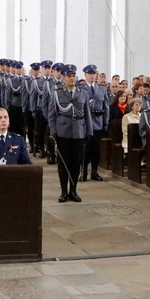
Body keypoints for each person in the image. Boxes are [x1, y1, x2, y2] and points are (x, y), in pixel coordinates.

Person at [47, 64, 93, 203]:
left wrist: (89, 131)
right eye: (69, 76)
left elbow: (87, 114)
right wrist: (53, 132)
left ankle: (73, 190)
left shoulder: (83, 93)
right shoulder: (57, 93)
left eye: (74, 76)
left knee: (76, 163)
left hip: (78, 131)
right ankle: (63, 191)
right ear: (64, 78)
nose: (72, 78)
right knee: (63, 163)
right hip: (63, 132)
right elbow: (52, 114)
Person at [79, 65, 109, 182]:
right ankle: (84, 172)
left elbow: (106, 107)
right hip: (85, 124)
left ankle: (95, 172)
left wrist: (105, 123)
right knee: (85, 149)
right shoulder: (81, 88)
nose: (92, 76)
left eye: (93, 73)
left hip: (97, 123)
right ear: (85, 75)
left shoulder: (102, 89)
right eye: (89, 74)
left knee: (96, 150)